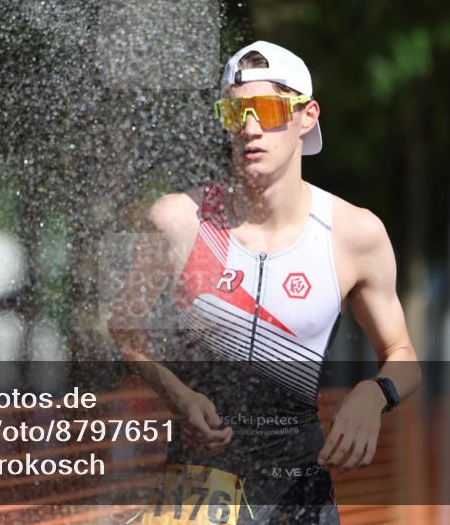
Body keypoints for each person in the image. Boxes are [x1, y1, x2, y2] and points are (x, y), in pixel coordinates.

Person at [108, 41, 422, 524]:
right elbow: (123, 328)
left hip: (299, 490)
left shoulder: (354, 234)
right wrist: (174, 391)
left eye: (269, 110)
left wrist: (373, 394)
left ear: (307, 115)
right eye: (235, 114)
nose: (251, 128)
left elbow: (403, 354)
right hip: (197, 486)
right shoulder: (178, 221)